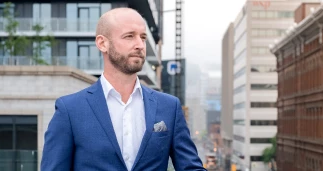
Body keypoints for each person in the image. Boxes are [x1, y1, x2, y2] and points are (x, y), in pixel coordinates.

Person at [41, 8, 205, 171]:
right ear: (102, 43)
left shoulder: (169, 107)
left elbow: (191, 168)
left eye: (143, 37)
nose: (140, 45)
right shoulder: (70, 110)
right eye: (129, 36)